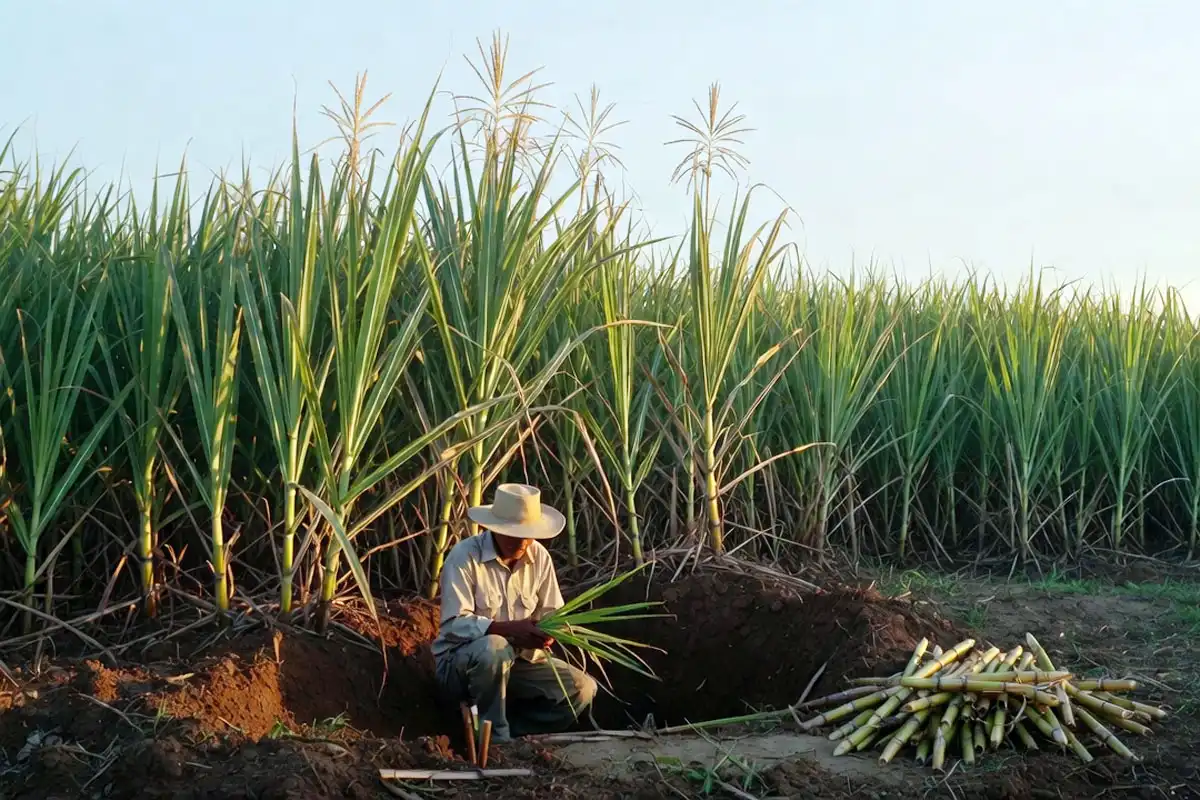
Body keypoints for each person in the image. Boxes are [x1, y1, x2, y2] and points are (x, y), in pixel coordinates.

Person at [432, 483, 598, 742]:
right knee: (494, 647)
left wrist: (548, 633)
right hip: (460, 667)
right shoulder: (465, 556)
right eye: (514, 534)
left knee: (582, 689)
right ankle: (494, 739)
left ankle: (515, 735)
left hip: (520, 664)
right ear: (494, 529)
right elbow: (454, 625)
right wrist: (509, 629)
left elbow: (553, 613)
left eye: (528, 534)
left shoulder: (539, 557)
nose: (522, 541)